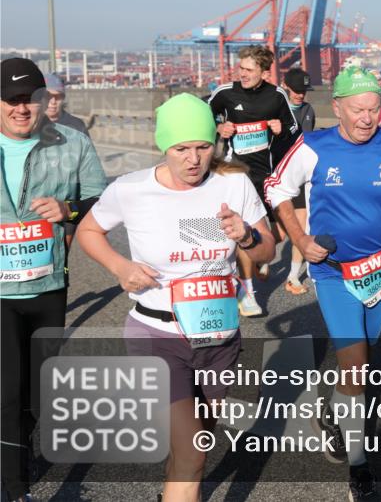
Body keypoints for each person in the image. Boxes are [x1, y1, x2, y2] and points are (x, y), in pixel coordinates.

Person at [77, 93, 275, 502]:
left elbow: (267, 251)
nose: (193, 159)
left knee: (193, 448)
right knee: (192, 455)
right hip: (156, 335)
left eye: (203, 147)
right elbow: (87, 231)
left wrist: (247, 235)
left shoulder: (234, 183)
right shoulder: (131, 189)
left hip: (218, 338)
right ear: (162, 146)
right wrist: (120, 268)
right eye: (181, 149)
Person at [265, 67, 381, 498]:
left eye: (374, 108)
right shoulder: (313, 146)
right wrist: (299, 238)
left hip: (379, 271)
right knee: (356, 366)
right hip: (333, 273)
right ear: (336, 107)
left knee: (361, 360)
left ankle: (332, 410)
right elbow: (277, 188)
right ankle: (359, 465)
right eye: (357, 109)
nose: (366, 117)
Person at [1, 58, 107, 502]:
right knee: (7, 388)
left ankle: (18, 450)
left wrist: (70, 211)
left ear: (46, 99)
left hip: (48, 286)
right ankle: (13, 486)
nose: (22, 109)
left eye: (32, 99)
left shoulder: (73, 142)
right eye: (13, 100)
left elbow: (102, 202)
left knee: (38, 393)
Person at [208, 45, 299, 316]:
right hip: (236, 176)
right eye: (241, 68)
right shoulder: (225, 93)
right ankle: (247, 292)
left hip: (267, 178)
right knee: (242, 233)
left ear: (264, 71)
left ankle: (257, 258)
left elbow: (295, 132)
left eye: (249, 69)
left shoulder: (277, 96)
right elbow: (201, 118)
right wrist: (218, 127)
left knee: (275, 235)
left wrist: (281, 131)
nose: (243, 73)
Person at [280, 67, 316, 295]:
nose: (300, 95)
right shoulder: (273, 108)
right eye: (296, 90)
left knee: (301, 226)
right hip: (274, 177)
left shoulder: (308, 110)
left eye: (304, 91)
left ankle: (293, 276)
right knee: (279, 232)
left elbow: (307, 144)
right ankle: (257, 259)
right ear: (285, 87)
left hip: (299, 177)